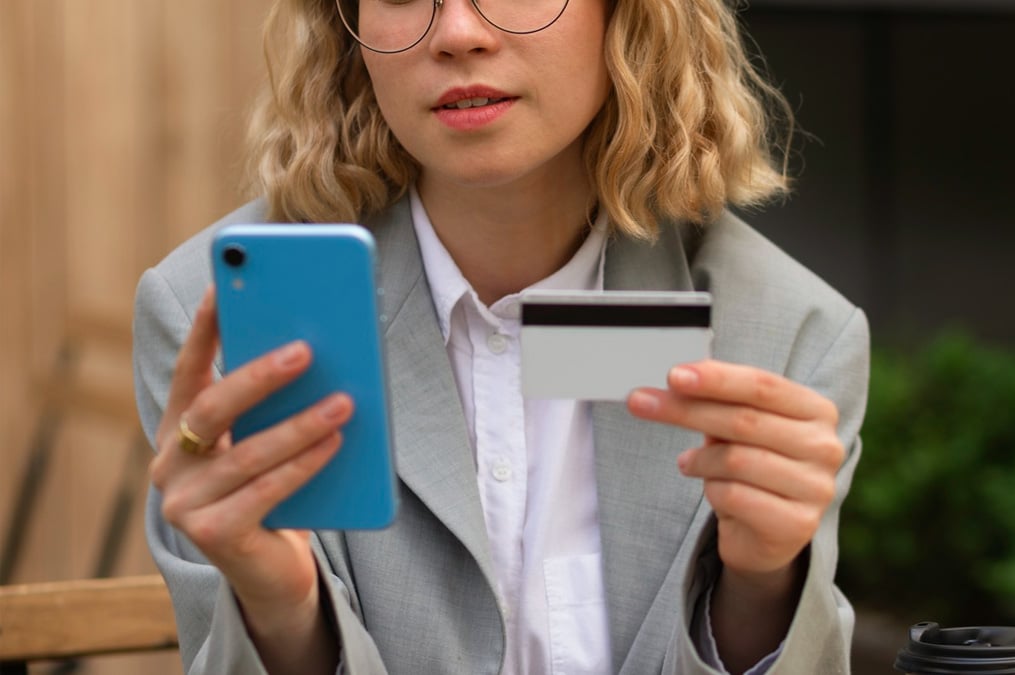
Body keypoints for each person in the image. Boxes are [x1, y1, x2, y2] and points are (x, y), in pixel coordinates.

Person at [133, 0, 870, 672]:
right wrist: (283, 609)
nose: (458, 33)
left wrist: (763, 584)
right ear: (345, 32)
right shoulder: (222, 318)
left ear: (633, 16)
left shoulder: (788, 333)